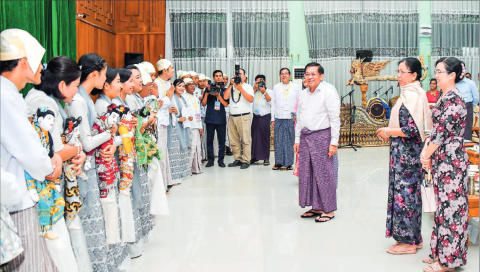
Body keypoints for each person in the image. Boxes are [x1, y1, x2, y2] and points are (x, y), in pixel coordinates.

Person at [0, 28, 60, 272]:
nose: (42, 68)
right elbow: (28, 150)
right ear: (23, 62)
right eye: (39, 62)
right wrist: (50, 166)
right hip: (16, 199)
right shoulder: (6, 95)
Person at [26, 56, 92, 272]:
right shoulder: (42, 103)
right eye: (75, 86)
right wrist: (78, 150)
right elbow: (55, 151)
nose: (76, 92)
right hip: (46, 184)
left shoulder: (48, 98)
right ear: (62, 84)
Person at [65, 53, 129, 271]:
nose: (105, 80)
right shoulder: (80, 101)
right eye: (104, 74)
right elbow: (87, 143)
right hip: (84, 166)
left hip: (91, 164)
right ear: (94, 74)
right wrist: (110, 132)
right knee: (89, 217)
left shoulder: (85, 98)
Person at [376, 58, 432, 255]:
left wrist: (389, 131)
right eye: (398, 71)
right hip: (402, 153)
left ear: (414, 75)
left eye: (402, 72)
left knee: (406, 196)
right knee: (409, 195)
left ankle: (408, 243)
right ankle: (414, 238)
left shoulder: (413, 96)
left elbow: (413, 130)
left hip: (407, 156)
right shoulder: (409, 93)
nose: (398, 75)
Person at [420, 57, 469, 272]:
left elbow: (441, 133)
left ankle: (449, 262)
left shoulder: (455, 99)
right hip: (441, 159)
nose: (436, 75)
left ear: (452, 75)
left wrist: (426, 155)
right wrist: (427, 152)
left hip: (452, 161)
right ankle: (439, 252)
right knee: (442, 208)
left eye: (440, 72)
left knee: (452, 210)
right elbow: (435, 131)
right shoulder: (444, 97)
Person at [295, 62, 340, 223]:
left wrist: (333, 143)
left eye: (313, 74)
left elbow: (335, 119)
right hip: (305, 137)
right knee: (308, 173)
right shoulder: (303, 94)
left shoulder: (328, 93)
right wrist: (297, 139)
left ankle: (329, 210)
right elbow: (299, 118)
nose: (309, 77)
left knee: (324, 174)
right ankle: (316, 206)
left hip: (322, 136)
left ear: (321, 76)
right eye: (307, 74)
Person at [271, 68, 301, 170]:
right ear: (280, 76)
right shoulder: (276, 87)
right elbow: (273, 103)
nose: (284, 76)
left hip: (291, 118)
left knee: (290, 141)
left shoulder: (296, 87)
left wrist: (298, 117)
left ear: (290, 75)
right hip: (279, 117)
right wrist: (272, 118)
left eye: (286, 74)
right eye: (282, 74)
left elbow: (299, 103)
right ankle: (278, 162)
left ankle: (288, 163)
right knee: (278, 140)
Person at [224, 68, 254, 169]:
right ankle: (237, 159)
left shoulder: (248, 86)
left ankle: (246, 160)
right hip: (232, 116)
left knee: (245, 140)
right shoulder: (231, 86)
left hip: (243, 116)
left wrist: (240, 88)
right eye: (236, 74)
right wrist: (231, 85)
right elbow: (225, 97)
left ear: (244, 77)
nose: (238, 76)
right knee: (233, 140)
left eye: (240, 74)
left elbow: (250, 99)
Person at [154, 59, 175, 189]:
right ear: (165, 70)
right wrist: (168, 97)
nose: (173, 70)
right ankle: (161, 184)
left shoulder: (168, 83)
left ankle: (166, 180)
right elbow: (156, 104)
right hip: (158, 122)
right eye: (171, 68)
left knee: (164, 151)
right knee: (160, 151)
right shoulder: (155, 84)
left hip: (166, 121)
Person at [202, 70, 229, 168]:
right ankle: (210, 160)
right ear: (213, 78)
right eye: (216, 76)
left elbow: (226, 104)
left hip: (221, 118)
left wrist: (218, 95)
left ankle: (221, 160)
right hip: (210, 118)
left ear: (222, 77)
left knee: (222, 141)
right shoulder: (208, 89)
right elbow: (203, 103)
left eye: (220, 76)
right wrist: (208, 92)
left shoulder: (225, 90)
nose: (218, 77)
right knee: (209, 140)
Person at [168, 79, 191, 183]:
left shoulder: (183, 98)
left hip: (184, 126)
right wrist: (178, 118)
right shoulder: (172, 98)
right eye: (179, 86)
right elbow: (171, 115)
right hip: (175, 127)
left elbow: (185, 111)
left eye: (183, 86)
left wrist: (188, 117)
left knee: (184, 149)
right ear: (174, 87)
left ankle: (184, 173)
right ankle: (175, 176)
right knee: (176, 151)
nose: (181, 88)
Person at [250, 74, 272, 166]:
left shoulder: (269, 91)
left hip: (265, 117)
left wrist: (264, 92)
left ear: (265, 82)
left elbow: (271, 101)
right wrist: (254, 89)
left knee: (265, 137)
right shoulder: (253, 92)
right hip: (255, 117)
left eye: (261, 81)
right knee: (254, 137)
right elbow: (249, 99)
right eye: (257, 82)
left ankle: (266, 158)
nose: (259, 83)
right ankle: (254, 157)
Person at [184, 78, 204, 174]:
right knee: (191, 148)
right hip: (189, 126)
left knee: (197, 148)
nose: (192, 86)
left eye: (193, 84)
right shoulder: (183, 97)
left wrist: (200, 127)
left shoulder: (195, 97)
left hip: (196, 125)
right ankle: (187, 169)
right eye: (189, 84)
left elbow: (198, 112)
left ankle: (196, 168)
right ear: (185, 86)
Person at [455, 61, 479, 141]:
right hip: (454, 108)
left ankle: (467, 150)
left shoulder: (471, 83)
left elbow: (476, 98)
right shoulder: (453, 83)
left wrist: (469, 107)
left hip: (467, 107)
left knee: (467, 131)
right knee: (455, 131)